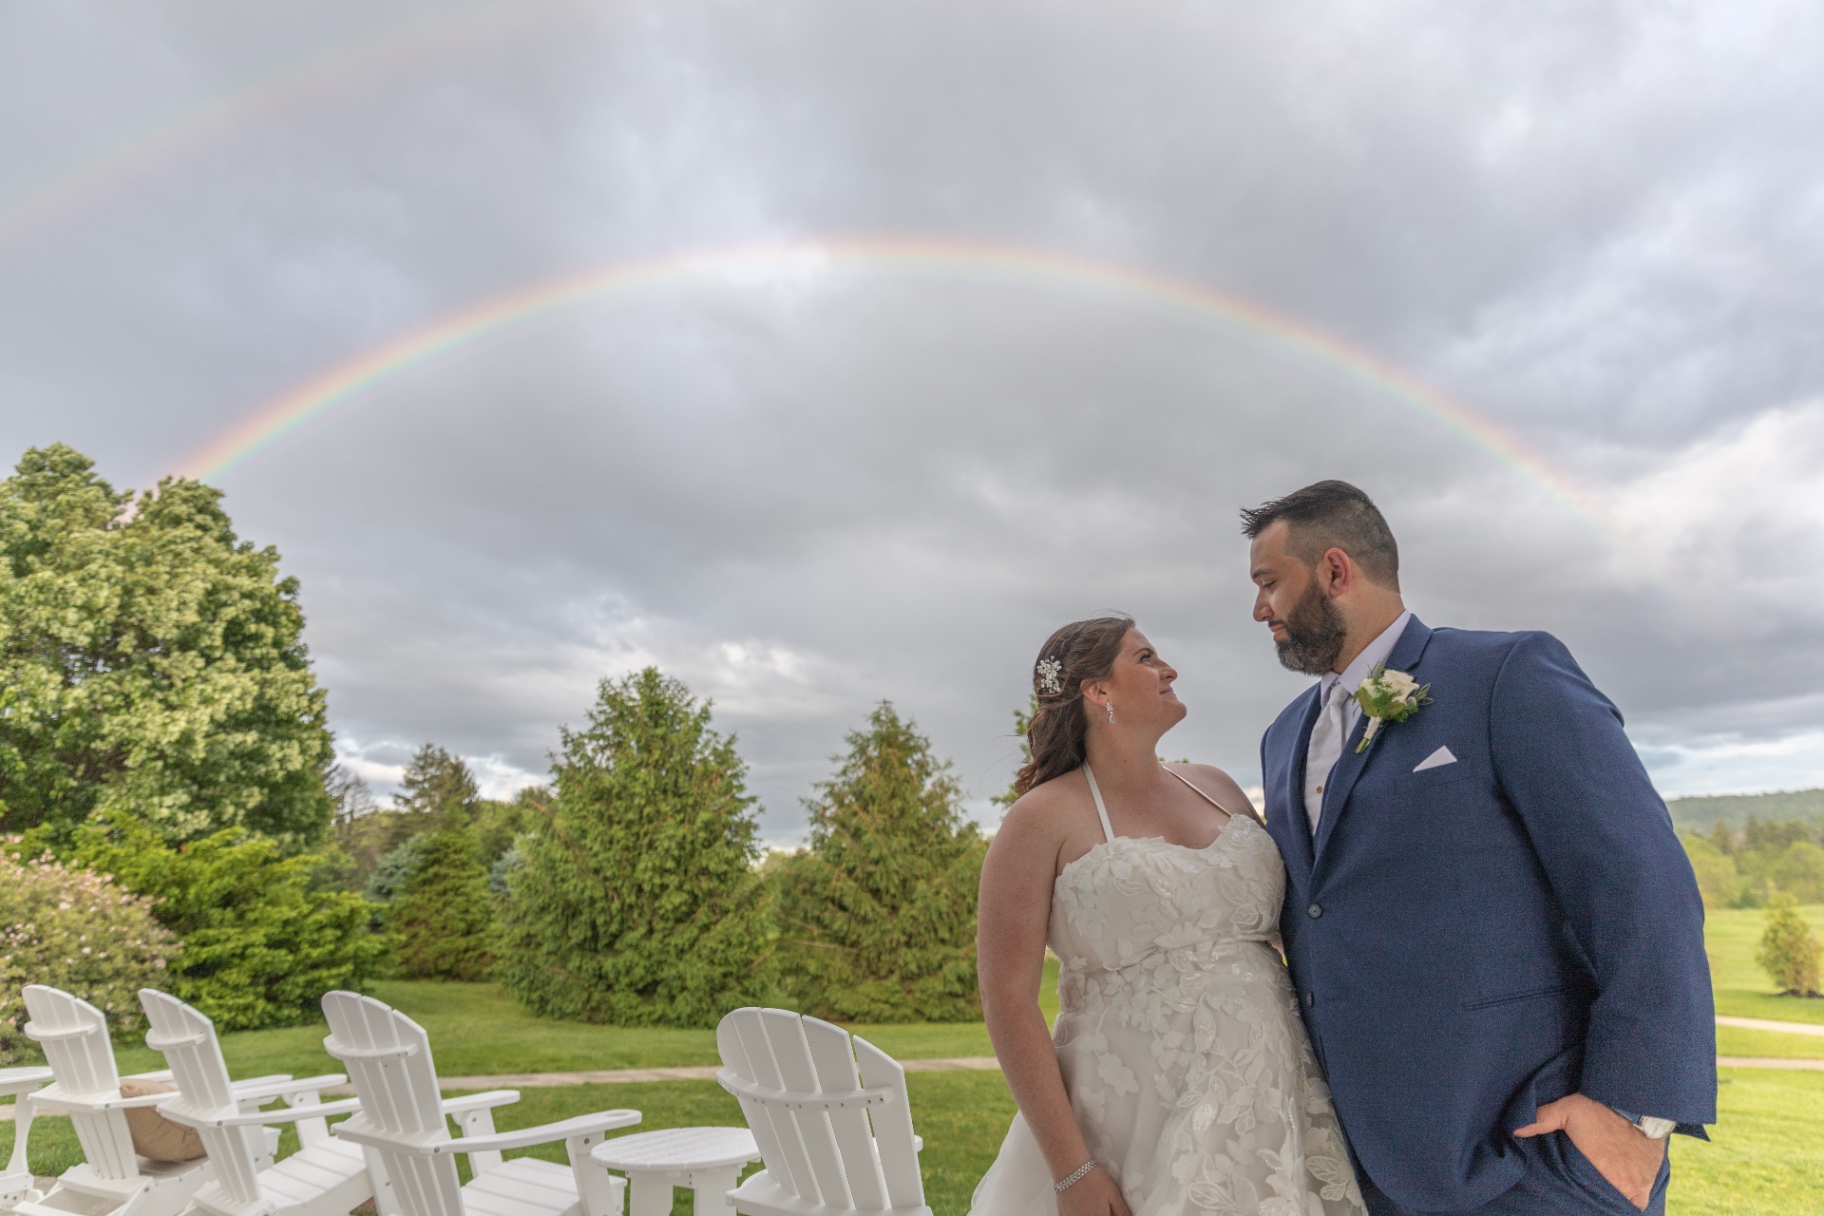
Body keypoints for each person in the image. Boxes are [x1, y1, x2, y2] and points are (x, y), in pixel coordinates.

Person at [1243, 480, 1715, 1216]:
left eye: (1269, 583)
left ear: (1336, 571)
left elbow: (1640, 885)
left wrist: (1634, 1114)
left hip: (1527, 1158)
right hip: (1355, 1169)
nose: (1258, 610)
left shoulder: (1507, 676)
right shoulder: (1281, 739)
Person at [969, 615, 1364, 1216]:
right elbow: (1008, 998)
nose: (1169, 670)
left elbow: (1302, 921)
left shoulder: (1216, 786)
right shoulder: (1040, 819)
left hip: (1273, 1088)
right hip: (1135, 1114)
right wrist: (1072, 1170)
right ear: (1096, 691)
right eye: (1147, 657)